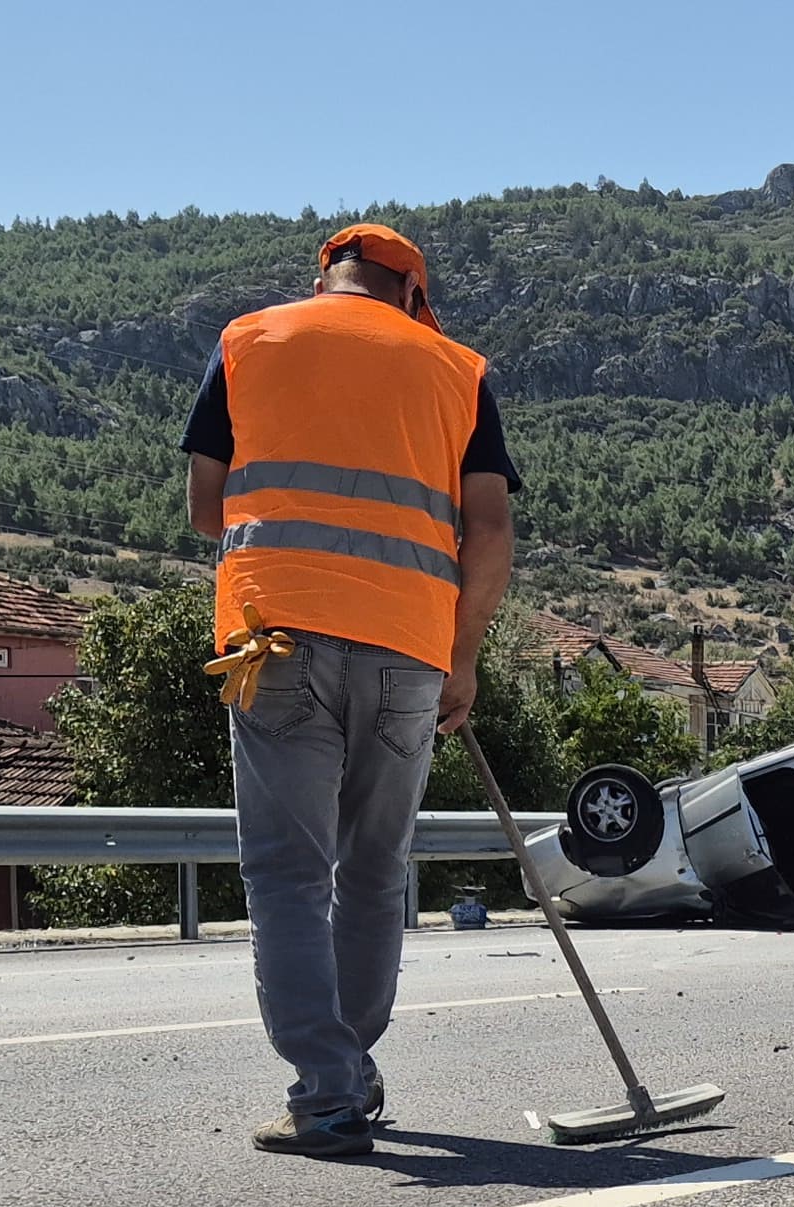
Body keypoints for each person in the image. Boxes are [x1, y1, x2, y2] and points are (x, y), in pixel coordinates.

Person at [183, 220, 520, 1156]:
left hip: (276, 640)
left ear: (326, 276)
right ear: (412, 292)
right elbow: (488, 531)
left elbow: (206, 507)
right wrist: (463, 657)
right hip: (410, 652)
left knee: (290, 877)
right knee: (374, 872)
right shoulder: (457, 368)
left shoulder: (249, 340)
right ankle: (352, 1071)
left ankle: (328, 1092)